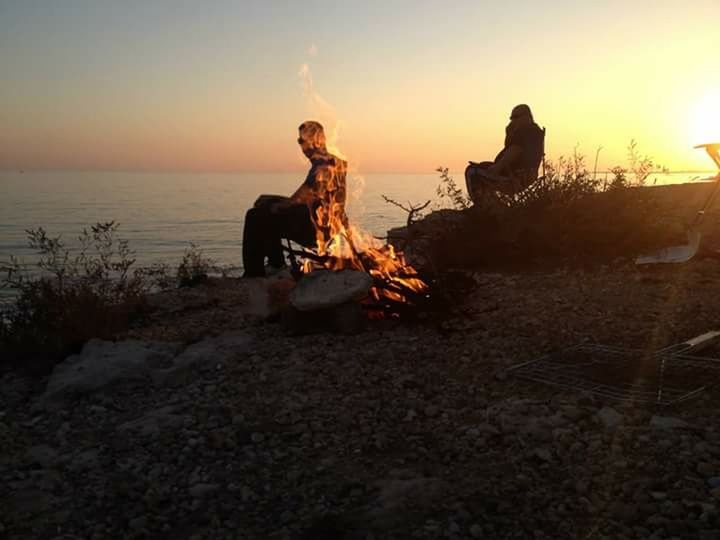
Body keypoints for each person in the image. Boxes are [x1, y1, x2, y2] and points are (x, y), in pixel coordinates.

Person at [242, 121, 347, 277]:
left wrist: (280, 205)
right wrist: (273, 200)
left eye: (302, 140)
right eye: (299, 141)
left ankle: (256, 272)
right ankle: (276, 264)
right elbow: (310, 195)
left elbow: (310, 192)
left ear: (317, 140)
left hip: (317, 228)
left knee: (255, 215)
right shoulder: (331, 161)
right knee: (267, 205)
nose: (301, 145)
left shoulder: (324, 163)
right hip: (318, 221)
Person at [465, 104, 544, 205]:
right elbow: (510, 149)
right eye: (511, 118)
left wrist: (497, 167)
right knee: (482, 166)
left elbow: (515, 150)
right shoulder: (533, 132)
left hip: (514, 177)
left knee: (472, 171)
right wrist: (509, 134)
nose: (512, 121)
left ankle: (485, 208)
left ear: (526, 117)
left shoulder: (526, 130)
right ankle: (493, 207)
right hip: (520, 175)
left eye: (515, 117)